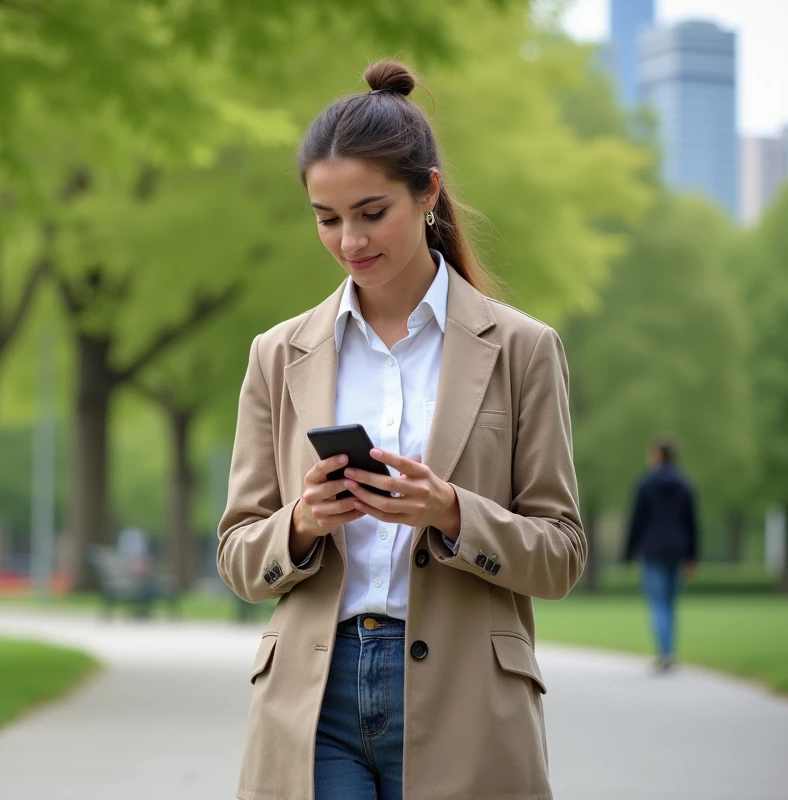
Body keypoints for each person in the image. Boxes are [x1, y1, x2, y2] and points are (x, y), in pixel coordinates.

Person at [216, 60, 585, 800]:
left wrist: (452, 513)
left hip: (467, 700)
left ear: (428, 194)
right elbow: (236, 554)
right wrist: (301, 522)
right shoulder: (277, 354)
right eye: (327, 218)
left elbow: (562, 555)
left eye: (371, 211)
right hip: (314, 697)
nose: (350, 239)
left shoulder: (522, 349)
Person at [624, 436, 699, 673]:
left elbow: (636, 520)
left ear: (657, 455)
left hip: (652, 550)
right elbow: (692, 523)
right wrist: (692, 556)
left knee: (657, 603)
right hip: (677, 550)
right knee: (670, 602)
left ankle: (664, 653)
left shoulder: (645, 485)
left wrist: (629, 553)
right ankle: (670, 651)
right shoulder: (686, 485)